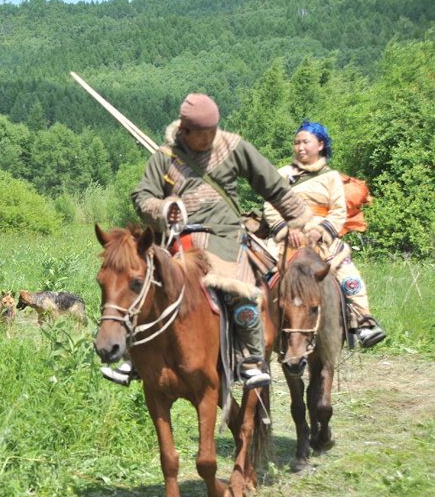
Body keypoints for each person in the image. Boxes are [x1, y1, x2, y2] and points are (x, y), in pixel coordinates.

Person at [101, 93, 315, 388]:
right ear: (184, 130)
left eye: (212, 132)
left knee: (239, 290)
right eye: (201, 134)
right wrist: (164, 208)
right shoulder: (165, 156)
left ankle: (250, 358)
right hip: (175, 239)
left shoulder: (233, 147)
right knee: (142, 287)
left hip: (222, 236)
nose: (208, 139)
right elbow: (142, 196)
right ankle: (133, 358)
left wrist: (298, 216)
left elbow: (270, 182)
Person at [264, 121, 386, 348]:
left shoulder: (331, 177)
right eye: (297, 143)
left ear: (320, 145)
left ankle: (362, 321)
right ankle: (246, 326)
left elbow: (339, 211)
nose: (300, 147)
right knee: (257, 271)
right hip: (286, 238)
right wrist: (287, 228)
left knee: (347, 272)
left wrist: (320, 231)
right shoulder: (282, 174)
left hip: (320, 237)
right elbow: (271, 206)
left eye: (305, 142)